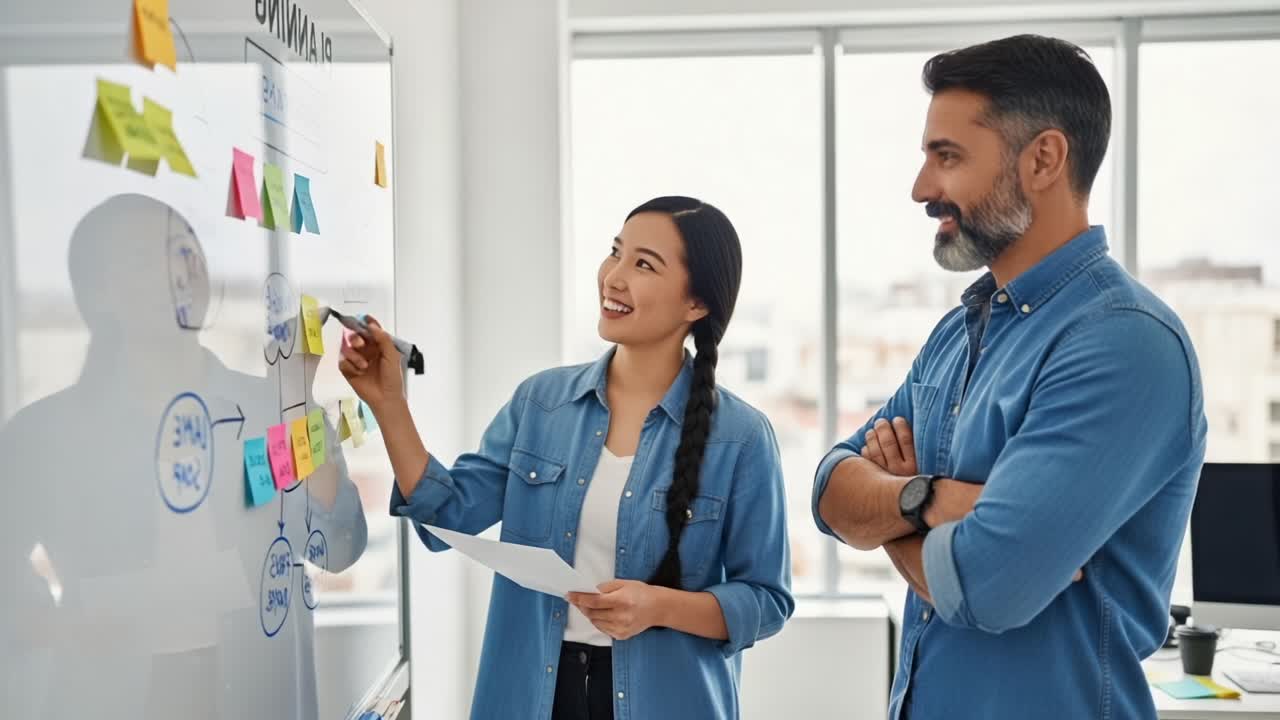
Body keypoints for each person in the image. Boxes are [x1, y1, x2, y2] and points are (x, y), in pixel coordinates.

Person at [812, 35, 1206, 719]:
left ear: (1043, 159)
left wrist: (891, 513)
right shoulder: (958, 333)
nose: (921, 189)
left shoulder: (1124, 343)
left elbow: (987, 587)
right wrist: (933, 500)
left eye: (948, 157)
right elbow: (829, 492)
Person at [340, 196, 794, 719]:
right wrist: (389, 405)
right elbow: (447, 515)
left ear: (696, 304)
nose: (614, 277)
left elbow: (766, 601)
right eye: (615, 253)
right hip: (534, 696)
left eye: (644, 265)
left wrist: (659, 607)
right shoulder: (541, 403)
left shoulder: (742, 438)